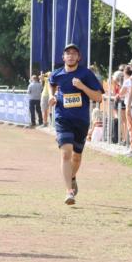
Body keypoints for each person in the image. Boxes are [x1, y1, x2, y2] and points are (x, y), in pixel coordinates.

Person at [48, 43, 103, 205]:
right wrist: (52, 96)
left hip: (81, 120)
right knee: (66, 153)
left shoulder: (86, 74)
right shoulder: (56, 74)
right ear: (63, 57)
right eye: (67, 53)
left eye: (74, 53)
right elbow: (51, 83)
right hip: (62, 118)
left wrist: (81, 86)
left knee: (77, 157)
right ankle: (69, 192)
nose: (70, 56)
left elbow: (98, 97)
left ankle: (72, 177)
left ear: (79, 57)